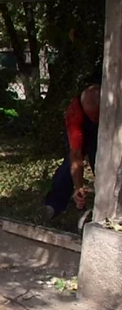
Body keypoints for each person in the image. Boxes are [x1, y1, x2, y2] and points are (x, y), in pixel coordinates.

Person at [43, 83, 101, 223]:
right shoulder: (74, 113)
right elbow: (76, 156)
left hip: (106, 129)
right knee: (68, 167)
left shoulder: (113, 101)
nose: (95, 120)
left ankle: (107, 208)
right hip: (81, 126)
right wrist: (79, 187)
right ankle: (52, 206)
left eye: (97, 116)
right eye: (93, 116)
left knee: (101, 164)